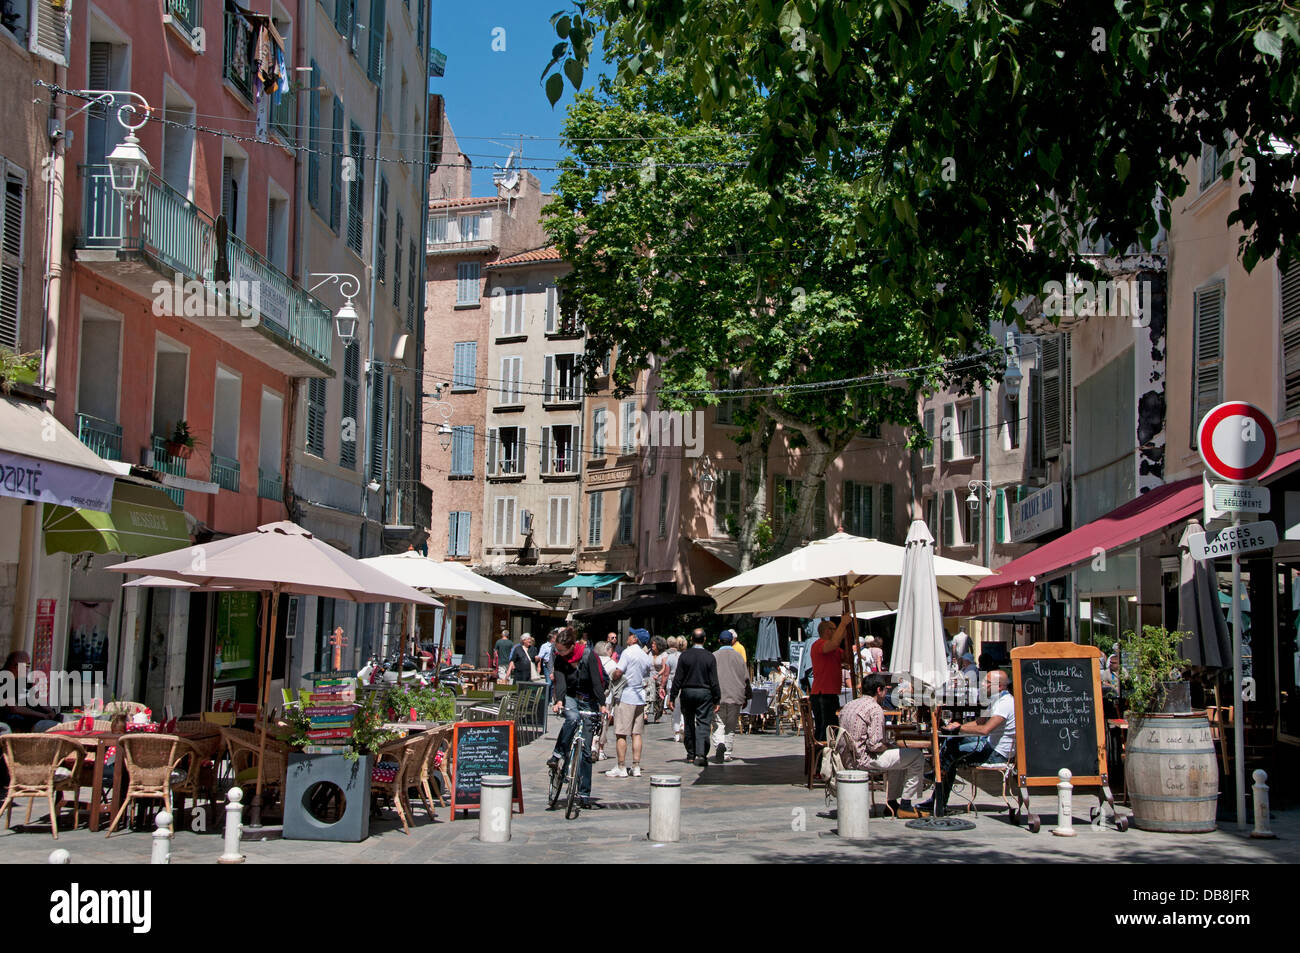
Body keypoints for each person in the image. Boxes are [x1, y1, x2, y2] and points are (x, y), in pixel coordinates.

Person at [920, 669, 1016, 816]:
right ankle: (938, 779)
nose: (983, 684)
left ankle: (938, 793)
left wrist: (960, 729)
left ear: (1000, 686)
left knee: (952, 755)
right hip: (988, 744)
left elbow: (985, 730)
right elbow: (979, 722)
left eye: (987, 682)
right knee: (951, 742)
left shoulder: (1005, 703)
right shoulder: (995, 700)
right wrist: (957, 727)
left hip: (996, 753)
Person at [836, 673, 927, 817]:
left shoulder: (849, 705)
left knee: (899, 756)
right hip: (864, 760)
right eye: (885, 690)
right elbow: (875, 745)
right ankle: (906, 804)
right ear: (879, 690)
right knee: (916, 756)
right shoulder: (875, 709)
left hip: (846, 758)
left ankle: (892, 803)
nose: (886, 694)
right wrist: (888, 746)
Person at [547, 627, 610, 808]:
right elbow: (559, 681)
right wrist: (559, 701)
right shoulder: (560, 659)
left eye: (561, 650)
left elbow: (597, 680)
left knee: (585, 752)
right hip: (571, 696)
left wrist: (602, 704)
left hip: (589, 699)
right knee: (572, 718)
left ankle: (584, 793)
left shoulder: (589, 655)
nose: (557, 652)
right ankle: (557, 754)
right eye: (557, 649)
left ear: (571, 646)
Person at [668, 629, 720, 766]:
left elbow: (678, 678)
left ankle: (691, 754)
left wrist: (672, 696)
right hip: (705, 693)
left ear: (691, 639)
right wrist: (717, 699)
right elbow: (714, 681)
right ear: (704, 639)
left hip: (687, 692)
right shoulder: (710, 657)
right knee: (703, 723)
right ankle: (701, 754)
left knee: (689, 723)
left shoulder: (685, 656)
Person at [606, 630, 654, 778]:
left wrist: (612, 676)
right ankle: (636, 766)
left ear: (635, 639)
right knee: (636, 733)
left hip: (626, 696)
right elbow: (646, 675)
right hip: (639, 697)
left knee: (621, 732)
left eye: (630, 635)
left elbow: (619, 671)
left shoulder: (628, 653)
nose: (627, 637)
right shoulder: (645, 657)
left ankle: (621, 766)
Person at [810, 616, 851, 741]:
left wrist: (847, 640)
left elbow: (847, 659)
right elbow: (833, 643)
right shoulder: (818, 645)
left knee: (833, 728)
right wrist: (843, 623)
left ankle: (829, 756)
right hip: (822, 693)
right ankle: (820, 757)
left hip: (831, 693)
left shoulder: (835, 649)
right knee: (824, 729)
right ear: (828, 631)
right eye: (834, 629)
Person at [712, 631, 749, 762]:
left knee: (719, 723)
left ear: (719, 641)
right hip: (736, 695)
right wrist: (747, 696)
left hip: (718, 696)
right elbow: (746, 678)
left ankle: (719, 744)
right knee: (731, 725)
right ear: (732, 641)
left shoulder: (714, 656)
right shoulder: (739, 656)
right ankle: (727, 753)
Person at [0, 652, 61, 733]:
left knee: (66, 723)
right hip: (24, 722)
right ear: (16, 665)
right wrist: (43, 715)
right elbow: (14, 708)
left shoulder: (22, 679)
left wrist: (50, 711)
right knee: (60, 729)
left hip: (39, 719)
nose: (28, 669)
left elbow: (36, 697)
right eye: (27, 665)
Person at [663, 636, 683, 741]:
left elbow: (666, 674)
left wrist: (662, 686)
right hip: (683, 685)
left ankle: (676, 732)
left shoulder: (669, 657)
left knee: (675, 708)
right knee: (683, 707)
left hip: (672, 684)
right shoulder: (684, 656)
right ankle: (683, 725)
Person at [536, 630, 557, 700]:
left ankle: (551, 698)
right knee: (549, 682)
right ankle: (546, 699)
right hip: (547, 666)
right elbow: (540, 657)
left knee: (554, 684)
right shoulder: (544, 646)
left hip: (555, 666)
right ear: (552, 638)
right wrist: (539, 667)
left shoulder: (556, 645)